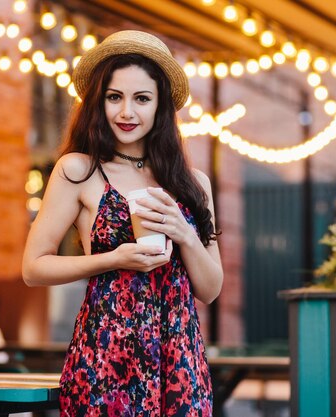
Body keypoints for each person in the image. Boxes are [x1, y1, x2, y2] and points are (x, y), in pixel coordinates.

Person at [22, 30, 223, 416]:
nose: (126, 112)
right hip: (106, 357)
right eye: (115, 97)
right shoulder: (78, 171)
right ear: (99, 102)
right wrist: (114, 259)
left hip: (179, 361)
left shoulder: (195, 184)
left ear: (160, 107)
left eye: (142, 99)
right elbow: (34, 267)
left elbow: (210, 289)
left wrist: (185, 234)